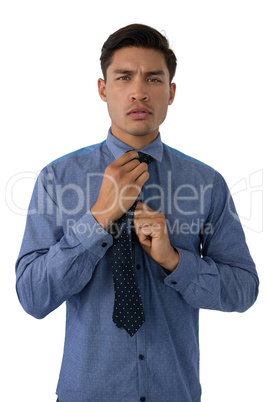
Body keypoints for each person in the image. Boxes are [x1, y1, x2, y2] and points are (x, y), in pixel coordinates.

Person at [15, 24, 259, 402]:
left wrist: (176, 262)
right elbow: (32, 296)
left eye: (154, 78)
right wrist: (97, 220)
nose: (139, 91)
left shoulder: (207, 183)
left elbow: (244, 289)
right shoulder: (57, 179)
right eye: (124, 77)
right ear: (103, 89)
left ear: (171, 92)